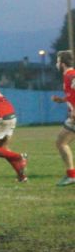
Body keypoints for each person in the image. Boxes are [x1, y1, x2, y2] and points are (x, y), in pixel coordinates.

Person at [51, 50, 75, 186]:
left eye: (58, 61)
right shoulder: (69, 75)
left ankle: (72, 175)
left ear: (63, 63)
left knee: (61, 142)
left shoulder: (70, 75)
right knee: (61, 142)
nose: (57, 64)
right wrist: (62, 100)